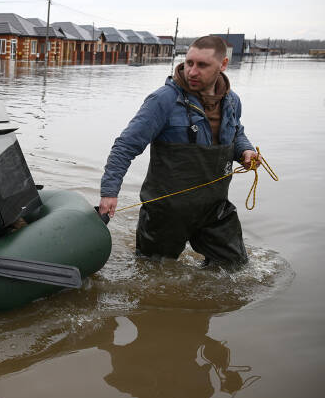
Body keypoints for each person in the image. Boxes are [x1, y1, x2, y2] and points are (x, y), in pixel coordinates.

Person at [98, 35, 260, 268]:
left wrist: (246, 152)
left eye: (202, 65)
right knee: (152, 274)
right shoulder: (163, 100)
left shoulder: (232, 101)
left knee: (235, 268)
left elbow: (237, 134)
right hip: (166, 212)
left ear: (223, 65)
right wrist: (109, 192)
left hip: (215, 208)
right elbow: (125, 146)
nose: (192, 72)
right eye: (189, 63)